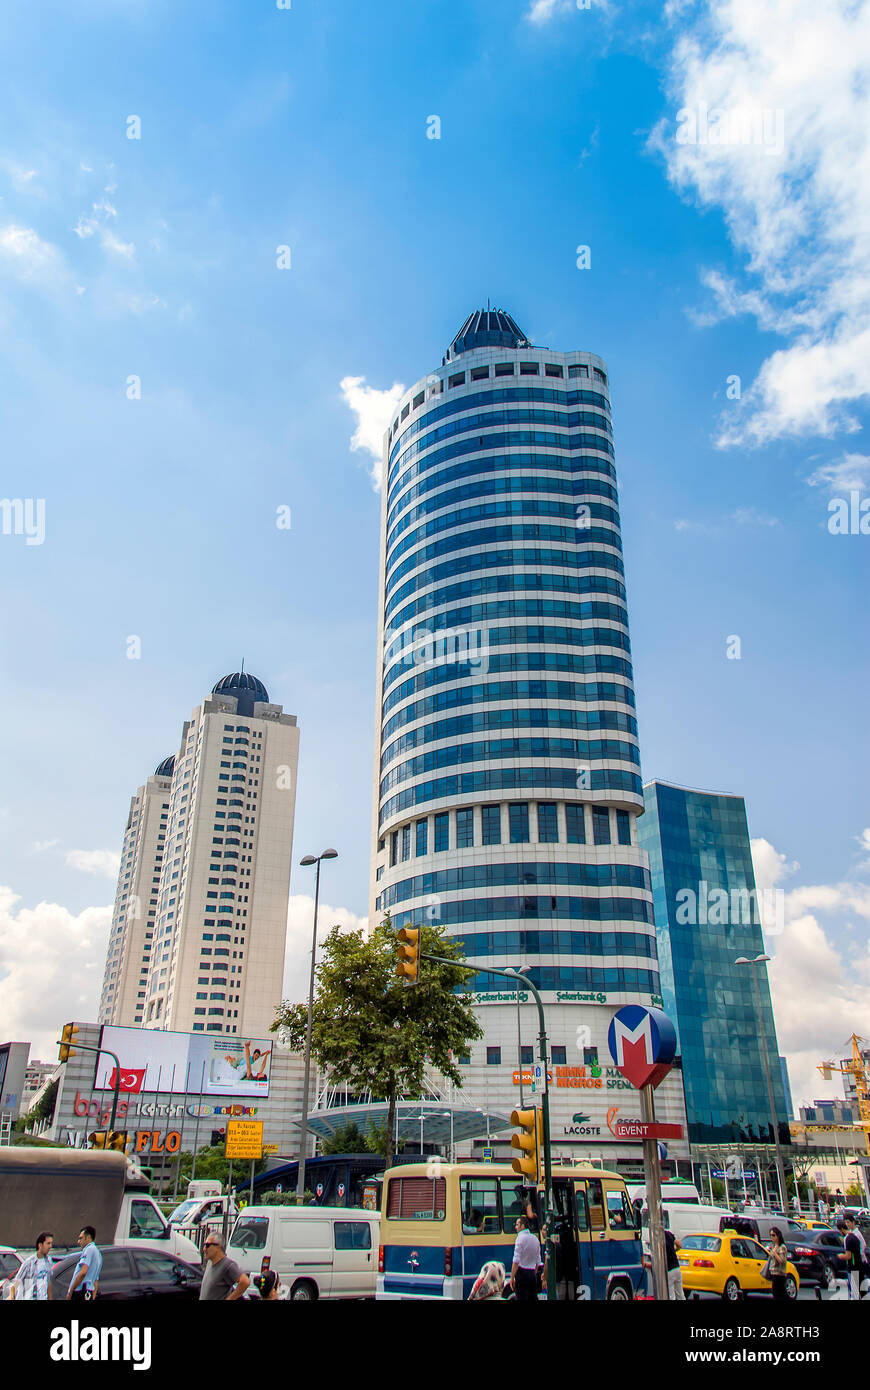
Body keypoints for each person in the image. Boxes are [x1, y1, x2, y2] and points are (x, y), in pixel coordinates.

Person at [199, 1234, 250, 1301]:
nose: (204, 1249)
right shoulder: (209, 1263)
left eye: (207, 1245)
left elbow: (245, 1282)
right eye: (204, 1245)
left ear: (218, 1247)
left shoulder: (227, 1265)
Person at [11, 1232, 54, 1301]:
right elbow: (16, 1283)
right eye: (48, 1243)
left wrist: (50, 1298)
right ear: (40, 1245)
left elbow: (49, 1282)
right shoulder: (29, 1262)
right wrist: (12, 1297)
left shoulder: (49, 1261)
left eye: (51, 1243)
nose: (50, 1246)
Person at [510, 1215, 542, 1302]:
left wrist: (512, 1278)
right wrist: (533, 1273)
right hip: (532, 1274)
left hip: (521, 1273)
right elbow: (538, 1261)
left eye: (517, 1225)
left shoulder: (520, 1239)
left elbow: (516, 1261)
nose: (515, 1227)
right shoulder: (535, 1239)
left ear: (523, 1226)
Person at [66, 1227, 102, 1302]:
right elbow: (95, 1280)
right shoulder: (98, 1253)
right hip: (88, 1292)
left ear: (88, 1237)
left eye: (81, 1238)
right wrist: (93, 1296)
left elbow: (83, 1272)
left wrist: (71, 1291)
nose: (78, 1242)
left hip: (81, 1291)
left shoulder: (89, 1249)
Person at [843, 1216, 868, 1301]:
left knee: (858, 1290)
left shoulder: (856, 1234)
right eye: (846, 1222)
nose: (847, 1224)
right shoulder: (851, 1234)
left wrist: (858, 1255)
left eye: (848, 1222)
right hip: (856, 1264)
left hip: (858, 1263)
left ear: (853, 1222)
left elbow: (863, 1246)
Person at [766, 1226, 788, 1300]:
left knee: (780, 1294)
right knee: (775, 1294)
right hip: (773, 1273)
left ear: (778, 1236)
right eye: (771, 1235)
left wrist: (775, 1253)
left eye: (773, 1235)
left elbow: (782, 1261)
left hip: (780, 1274)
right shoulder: (774, 1246)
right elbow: (771, 1258)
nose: (772, 1237)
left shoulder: (782, 1247)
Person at [664, 1228, 684, 1301]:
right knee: (680, 1294)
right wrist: (673, 1250)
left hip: (669, 1270)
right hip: (677, 1268)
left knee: (671, 1296)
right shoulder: (669, 1234)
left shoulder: (658, 1237)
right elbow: (680, 1245)